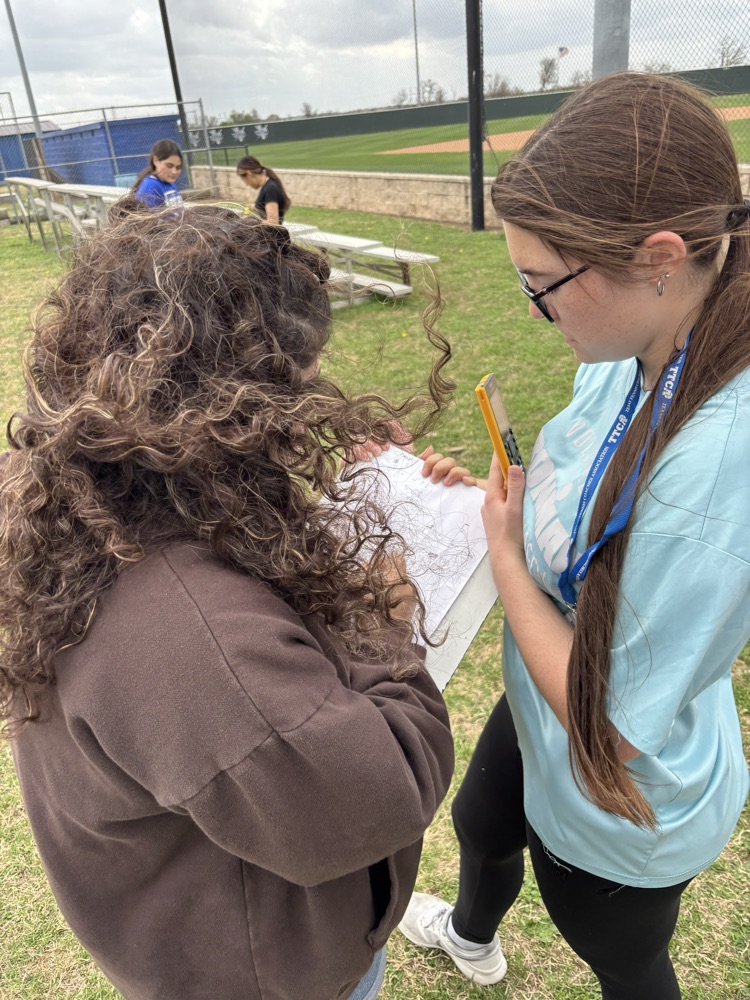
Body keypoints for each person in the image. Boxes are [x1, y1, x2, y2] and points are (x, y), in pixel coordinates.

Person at [0, 203, 455, 1000]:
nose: (307, 407)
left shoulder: (70, 484)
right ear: (234, 397)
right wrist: (383, 620)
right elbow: (377, 797)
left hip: (186, 920)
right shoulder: (192, 638)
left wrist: (334, 505)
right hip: (265, 972)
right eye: (295, 386)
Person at [399, 72, 750, 999]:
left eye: (541, 283)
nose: (530, 308)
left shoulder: (719, 467)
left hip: (618, 784)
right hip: (549, 680)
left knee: (622, 955)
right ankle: (473, 941)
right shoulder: (645, 337)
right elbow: (592, 505)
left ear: (661, 255)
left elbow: (612, 726)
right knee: (481, 820)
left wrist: (506, 556)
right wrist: (491, 498)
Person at [131, 138, 184, 210]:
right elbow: (147, 219)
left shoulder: (169, 183)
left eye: (178, 167)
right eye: (169, 166)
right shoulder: (151, 186)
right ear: (156, 161)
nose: (174, 172)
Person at [237, 154, 291, 224]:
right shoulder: (268, 186)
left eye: (245, 180)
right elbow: (265, 205)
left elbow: (273, 223)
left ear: (249, 173)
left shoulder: (270, 189)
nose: (246, 184)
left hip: (272, 234)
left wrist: (250, 222)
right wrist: (254, 206)